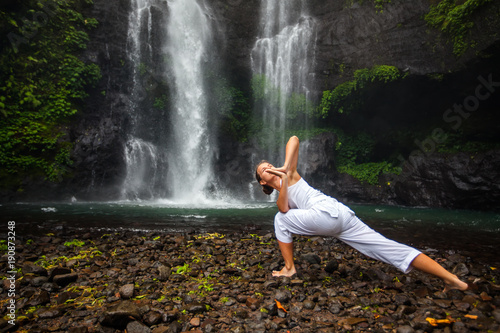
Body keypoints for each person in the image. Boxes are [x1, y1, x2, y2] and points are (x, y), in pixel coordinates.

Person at [255, 135, 470, 292]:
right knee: (281, 218)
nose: (269, 167)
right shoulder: (284, 188)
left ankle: (451, 279)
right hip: (337, 216)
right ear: (263, 182)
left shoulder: (290, 173)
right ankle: (452, 279)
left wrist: (284, 166)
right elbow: (284, 209)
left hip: (332, 213)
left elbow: (293, 139)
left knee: (391, 249)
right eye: (265, 169)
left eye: (269, 164)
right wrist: (284, 176)